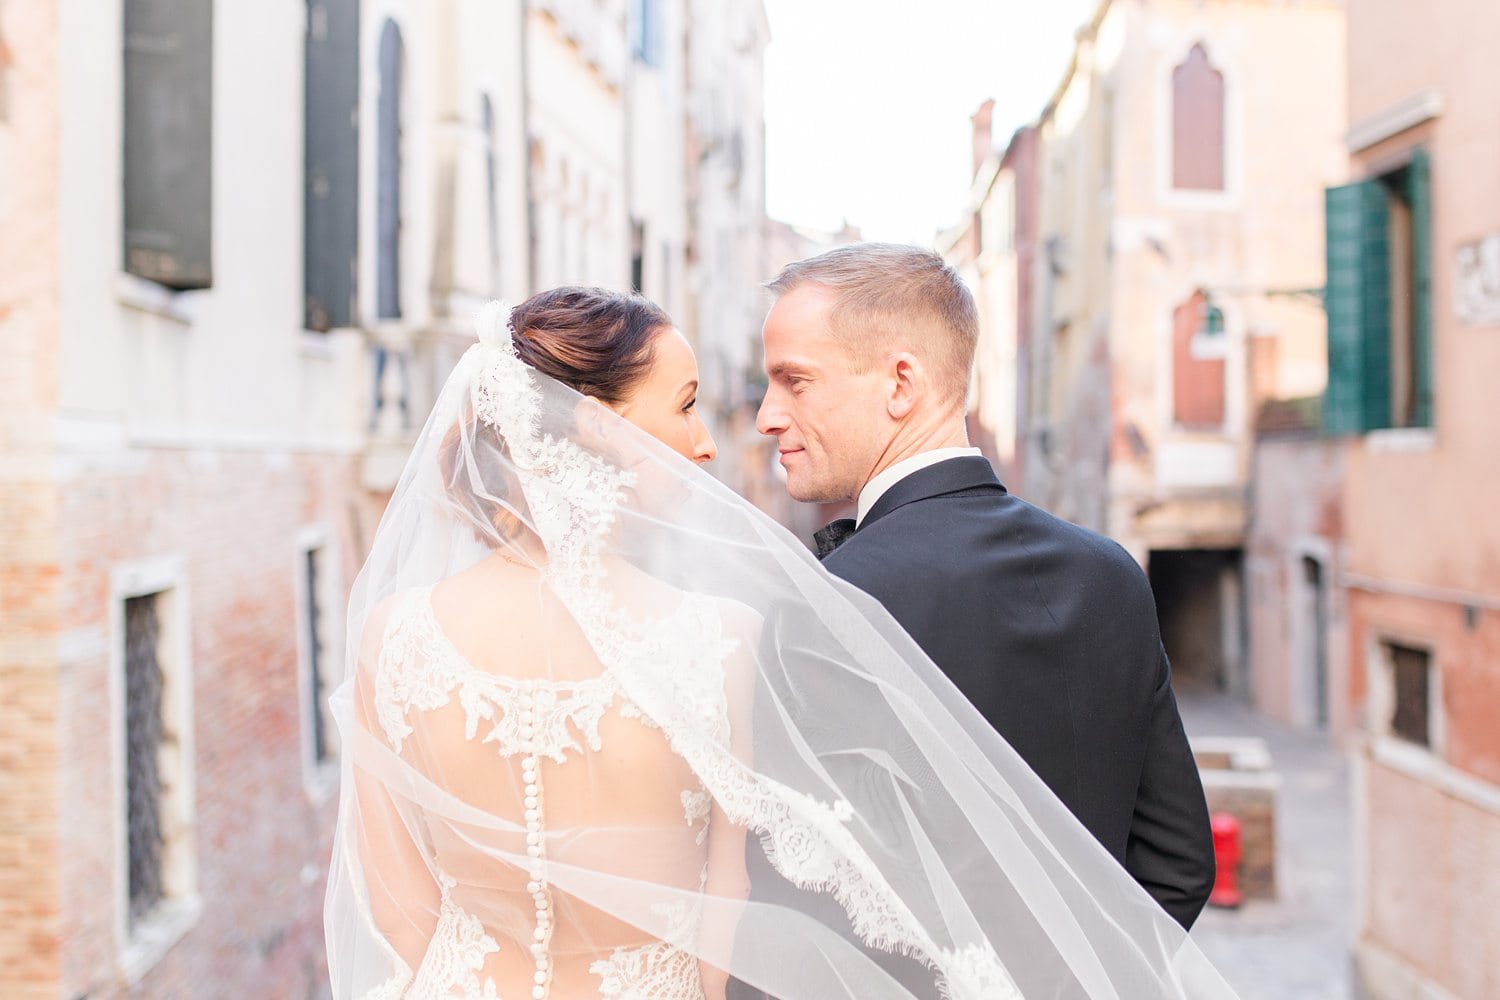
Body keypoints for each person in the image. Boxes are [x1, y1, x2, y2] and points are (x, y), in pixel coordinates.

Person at [324, 286, 1237, 999]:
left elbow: (399, 918)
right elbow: (734, 944)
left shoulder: (389, 638)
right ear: (590, 431)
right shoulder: (719, 639)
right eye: (686, 407)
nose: (713, 442)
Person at [755, 242, 1216, 931]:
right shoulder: (1112, 572)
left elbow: (801, 913)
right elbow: (1179, 862)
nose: (767, 414)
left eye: (795, 381)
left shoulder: (831, 603)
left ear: (901, 383)